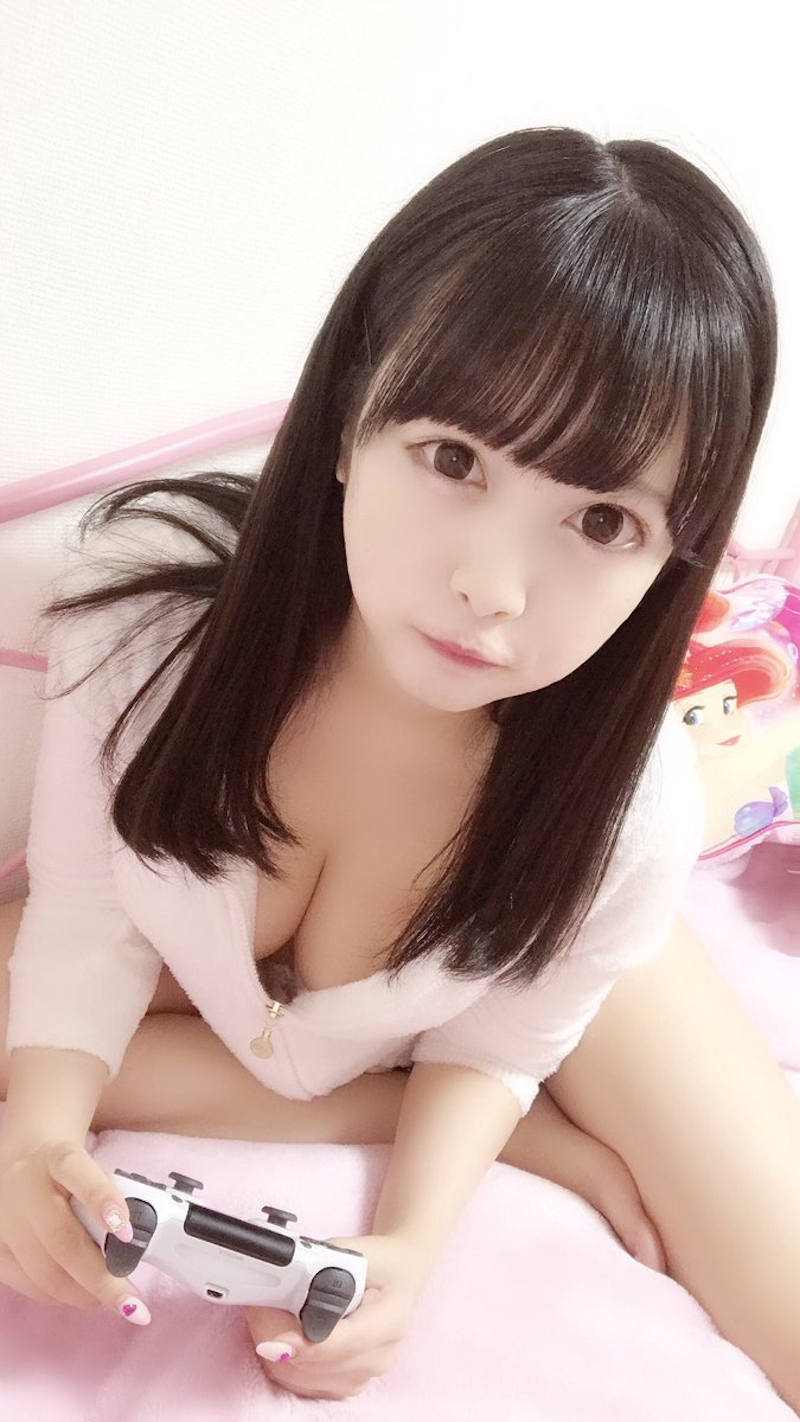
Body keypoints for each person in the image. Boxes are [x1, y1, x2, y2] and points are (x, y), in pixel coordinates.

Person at [2, 125, 798, 1409]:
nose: (492, 586)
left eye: (602, 519)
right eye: (452, 460)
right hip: (234, 978)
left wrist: (411, 1250)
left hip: (552, 934)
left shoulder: (624, 822)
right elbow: (89, 913)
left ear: (677, 556)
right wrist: (36, 1144)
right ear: (346, 417)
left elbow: (495, 1044)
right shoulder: (144, 641)